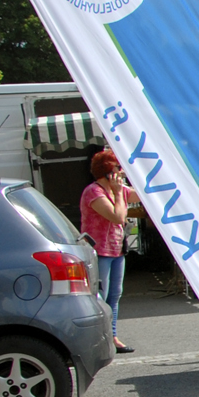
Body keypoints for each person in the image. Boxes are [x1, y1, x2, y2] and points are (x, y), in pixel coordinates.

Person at [80, 150, 134, 354]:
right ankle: (98, 339)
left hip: (116, 250)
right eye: (119, 169)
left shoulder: (115, 190)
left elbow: (141, 194)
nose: (122, 173)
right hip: (98, 251)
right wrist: (119, 193)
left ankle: (112, 337)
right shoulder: (94, 192)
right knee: (99, 296)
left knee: (114, 295)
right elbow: (117, 217)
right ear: (109, 172)